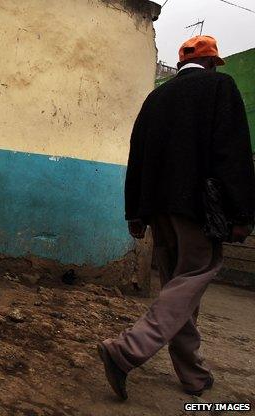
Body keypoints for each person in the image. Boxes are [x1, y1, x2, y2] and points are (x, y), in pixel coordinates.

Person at [98, 35, 255, 400]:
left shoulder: (156, 97)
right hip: (198, 210)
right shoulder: (220, 87)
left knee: (178, 289)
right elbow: (232, 152)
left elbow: (137, 155)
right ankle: (127, 350)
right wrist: (242, 213)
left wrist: (135, 213)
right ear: (214, 62)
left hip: (157, 211)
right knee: (196, 276)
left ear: (181, 64)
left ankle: (193, 375)